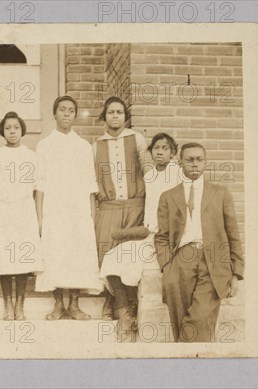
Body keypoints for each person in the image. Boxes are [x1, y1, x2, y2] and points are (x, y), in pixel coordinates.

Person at [155, 142, 244, 342]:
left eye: (199, 159)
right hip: (180, 262)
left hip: (213, 263)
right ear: (180, 163)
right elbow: (161, 236)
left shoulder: (221, 193)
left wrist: (236, 273)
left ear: (205, 163)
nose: (195, 164)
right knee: (179, 322)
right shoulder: (168, 197)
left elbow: (233, 234)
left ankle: (186, 360)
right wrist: (166, 266)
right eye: (189, 160)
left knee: (199, 320)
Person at [98, 132, 182, 342]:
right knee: (113, 257)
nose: (160, 152)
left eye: (165, 148)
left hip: (170, 240)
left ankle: (128, 312)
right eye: (156, 148)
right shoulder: (150, 176)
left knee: (136, 267)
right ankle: (125, 313)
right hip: (150, 237)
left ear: (172, 153)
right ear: (151, 152)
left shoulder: (179, 175)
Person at [34, 96, 103, 320]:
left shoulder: (83, 146)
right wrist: (40, 217)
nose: (66, 114)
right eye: (62, 110)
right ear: (54, 114)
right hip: (54, 209)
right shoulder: (44, 145)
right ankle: (57, 304)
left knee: (77, 254)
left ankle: (74, 303)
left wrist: (91, 215)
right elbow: (40, 184)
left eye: (71, 110)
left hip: (78, 210)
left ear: (75, 115)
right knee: (55, 253)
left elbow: (90, 183)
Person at [92, 96, 152, 334]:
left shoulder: (136, 139)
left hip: (136, 205)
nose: (114, 116)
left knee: (130, 253)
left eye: (119, 112)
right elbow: (93, 178)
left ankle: (129, 302)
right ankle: (112, 299)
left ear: (125, 116)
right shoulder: (96, 145)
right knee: (107, 250)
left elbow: (148, 170)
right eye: (110, 112)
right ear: (104, 117)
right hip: (110, 207)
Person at [0, 112, 43, 321]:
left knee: (22, 261)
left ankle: (20, 303)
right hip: (4, 211)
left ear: (22, 130)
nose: (12, 131)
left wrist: (38, 217)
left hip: (24, 211)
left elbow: (38, 188)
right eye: (8, 128)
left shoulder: (31, 155)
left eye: (16, 128)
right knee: (4, 261)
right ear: (2, 131)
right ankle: (7, 303)